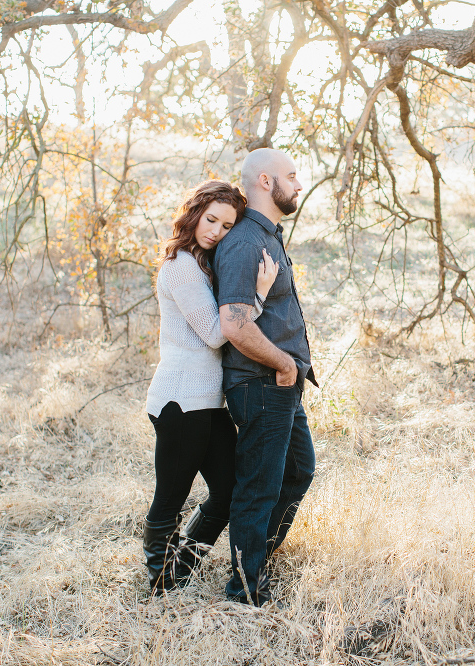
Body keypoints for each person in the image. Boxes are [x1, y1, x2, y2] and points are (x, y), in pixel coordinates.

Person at [143, 179, 279, 593]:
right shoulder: (182, 264)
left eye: (226, 225)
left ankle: (182, 565)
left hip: (206, 403)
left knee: (229, 490)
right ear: (195, 214)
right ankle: (161, 583)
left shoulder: (202, 264)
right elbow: (213, 333)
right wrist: (257, 295)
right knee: (171, 496)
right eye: (211, 219)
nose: (215, 231)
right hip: (180, 400)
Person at [214, 148, 318, 606]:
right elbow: (234, 324)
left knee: (297, 471)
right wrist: (283, 363)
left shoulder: (268, 236)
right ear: (263, 182)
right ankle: (245, 589)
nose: (298, 185)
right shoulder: (243, 243)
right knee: (259, 486)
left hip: (282, 384)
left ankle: (254, 560)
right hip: (260, 383)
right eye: (291, 176)